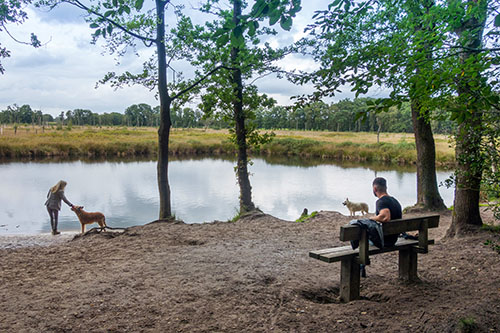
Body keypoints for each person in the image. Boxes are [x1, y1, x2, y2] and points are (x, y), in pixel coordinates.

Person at [371, 177, 402, 247]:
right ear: (386, 188)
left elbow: (385, 217)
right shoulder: (395, 201)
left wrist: (371, 219)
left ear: (375, 189)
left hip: (384, 240)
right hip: (394, 239)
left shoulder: (381, 202)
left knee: (359, 241)